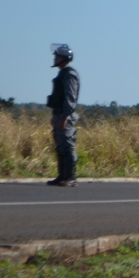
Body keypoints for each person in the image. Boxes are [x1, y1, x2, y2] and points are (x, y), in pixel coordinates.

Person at [47, 44, 80, 186]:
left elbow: (70, 97)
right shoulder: (62, 74)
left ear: (64, 58)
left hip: (65, 115)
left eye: (57, 56)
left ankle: (70, 178)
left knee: (67, 146)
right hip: (59, 114)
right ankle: (62, 176)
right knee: (60, 147)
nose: (55, 58)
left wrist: (65, 116)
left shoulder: (70, 74)